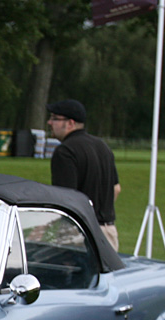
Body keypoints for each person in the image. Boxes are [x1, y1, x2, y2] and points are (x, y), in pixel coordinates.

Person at [46, 99, 122, 252]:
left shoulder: (65, 152)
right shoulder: (103, 147)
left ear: (70, 123)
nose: (49, 122)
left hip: (78, 232)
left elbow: (65, 199)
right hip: (108, 232)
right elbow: (116, 189)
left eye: (55, 118)